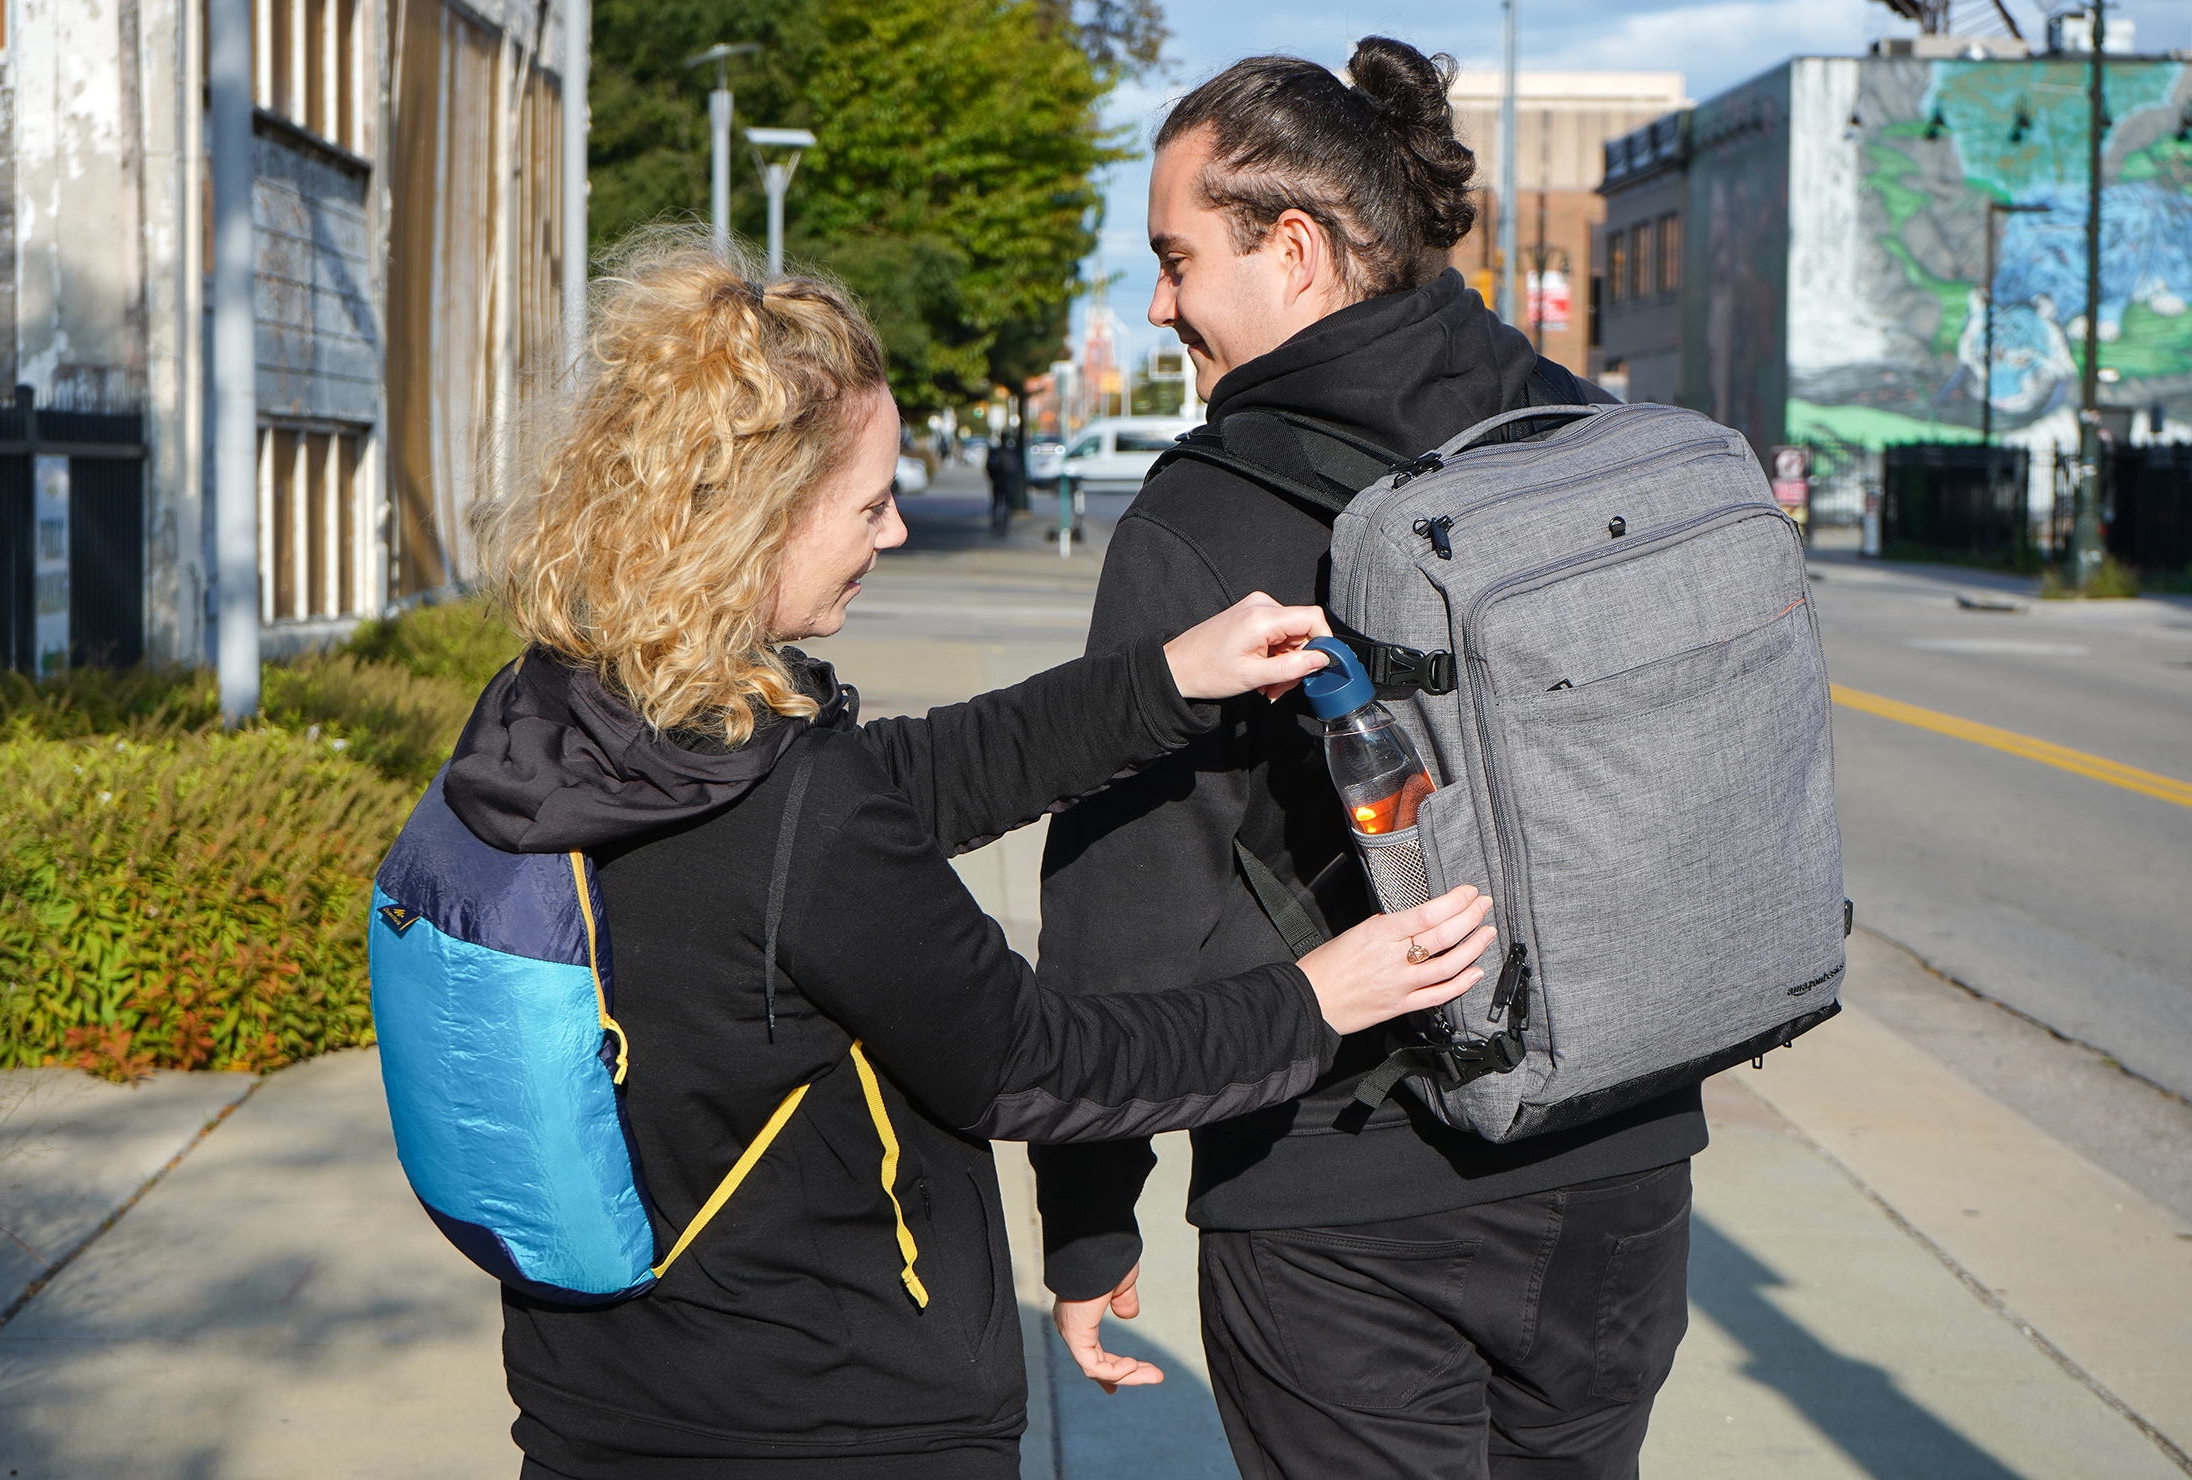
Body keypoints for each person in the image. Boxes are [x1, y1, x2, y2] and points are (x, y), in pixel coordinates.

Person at [452, 229, 1501, 1480]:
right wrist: (1320, 998)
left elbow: (911, 784)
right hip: (834, 1423)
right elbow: (1032, 1061)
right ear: (754, 522)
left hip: (595, 1407)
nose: (892, 532)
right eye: (868, 502)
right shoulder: (789, 805)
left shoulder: (565, 721)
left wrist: (1167, 680)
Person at [1029, 39, 1697, 1480]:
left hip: (1340, 1190)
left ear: (1292, 248)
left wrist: (1089, 1214)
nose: (1159, 307)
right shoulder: (1581, 432)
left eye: (1176, 259)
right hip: (1624, 1170)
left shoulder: (1203, 518)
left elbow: (1124, 906)